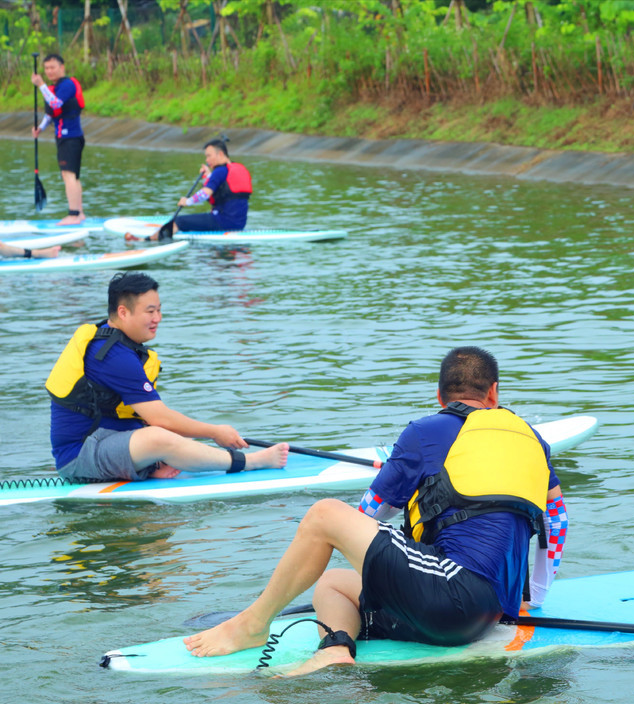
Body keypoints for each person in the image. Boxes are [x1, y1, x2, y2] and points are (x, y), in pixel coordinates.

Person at [184, 346, 569, 676]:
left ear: (440, 397)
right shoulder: (533, 441)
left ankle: (253, 623)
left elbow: (366, 517)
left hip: (450, 598)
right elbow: (556, 520)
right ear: (494, 393)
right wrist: (533, 597)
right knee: (332, 584)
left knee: (324, 515)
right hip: (491, 614)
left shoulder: (423, 432)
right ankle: (335, 649)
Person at [47, 271, 288, 482]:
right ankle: (251, 462)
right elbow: (160, 419)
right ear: (123, 312)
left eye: (159, 310)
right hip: (80, 457)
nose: (157, 319)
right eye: (150, 311)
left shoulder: (117, 343)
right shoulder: (113, 356)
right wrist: (215, 432)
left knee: (168, 434)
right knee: (160, 437)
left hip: (105, 441)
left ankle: (149, 466)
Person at [128, 139, 252, 242]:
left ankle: (145, 240)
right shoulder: (237, 168)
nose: (207, 160)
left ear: (220, 154)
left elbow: (205, 194)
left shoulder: (219, 171)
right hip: (238, 224)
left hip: (222, 222)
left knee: (178, 221)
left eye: (209, 156)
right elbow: (225, 191)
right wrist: (209, 176)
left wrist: (187, 201)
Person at [31, 54, 85, 226]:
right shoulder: (55, 87)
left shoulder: (67, 84)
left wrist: (41, 85)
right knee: (72, 177)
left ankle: (73, 215)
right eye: (46, 68)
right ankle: (80, 214)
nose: (49, 71)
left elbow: (55, 104)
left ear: (62, 67)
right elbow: (51, 113)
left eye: (52, 67)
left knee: (68, 175)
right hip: (67, 137)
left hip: (70, 137)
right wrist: (41, 128)